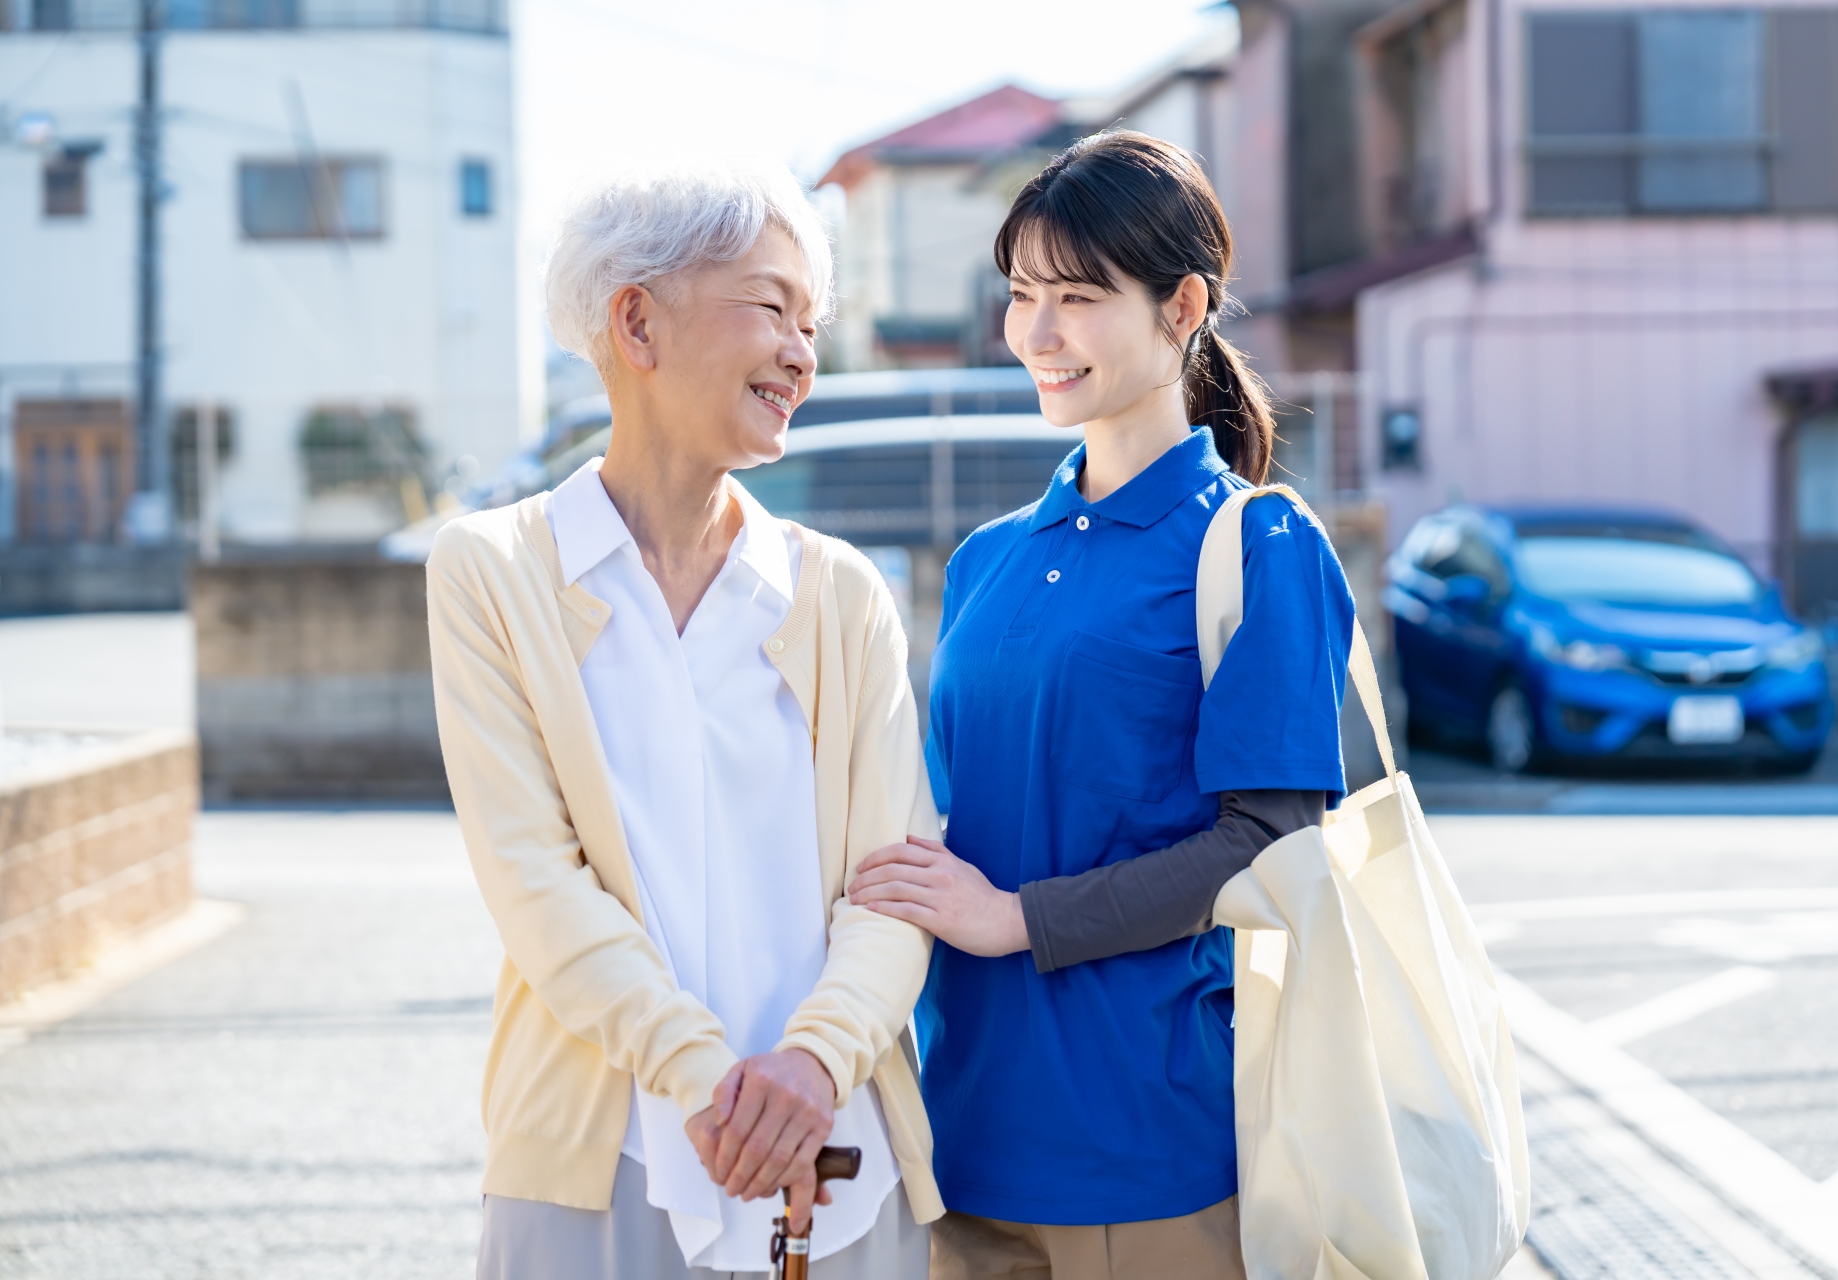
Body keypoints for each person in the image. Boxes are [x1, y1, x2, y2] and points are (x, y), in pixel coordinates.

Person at [848, 132, 1355, 1280]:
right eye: (1023, 294)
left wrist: (1017, 917)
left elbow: (1269, 845)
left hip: (1147, 1148)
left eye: (1077, 296)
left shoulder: (1259, 543)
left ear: (1184, 306)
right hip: (959, 1138)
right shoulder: (984, 559)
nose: (1038, 332)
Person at [427, 167, 943, 1280]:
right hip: (595, 1165)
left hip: (837, 1160)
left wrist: (813, 1065)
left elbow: (896, 884)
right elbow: (533, 880)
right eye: (771, 308)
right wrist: (708, 1080)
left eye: (812, 325)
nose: (802, 354)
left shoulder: (841, 594)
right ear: (637, 322)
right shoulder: (492, 571)